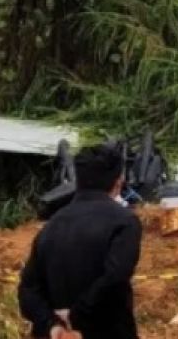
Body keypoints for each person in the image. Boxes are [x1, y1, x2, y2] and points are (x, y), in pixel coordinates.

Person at [18, 143, 142, 339]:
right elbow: (115, 277)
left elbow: (28, 290)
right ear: (118, 182)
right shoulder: (124, 222)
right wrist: (76, 316)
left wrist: (53, 325)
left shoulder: (51, 226)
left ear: (78, 180)